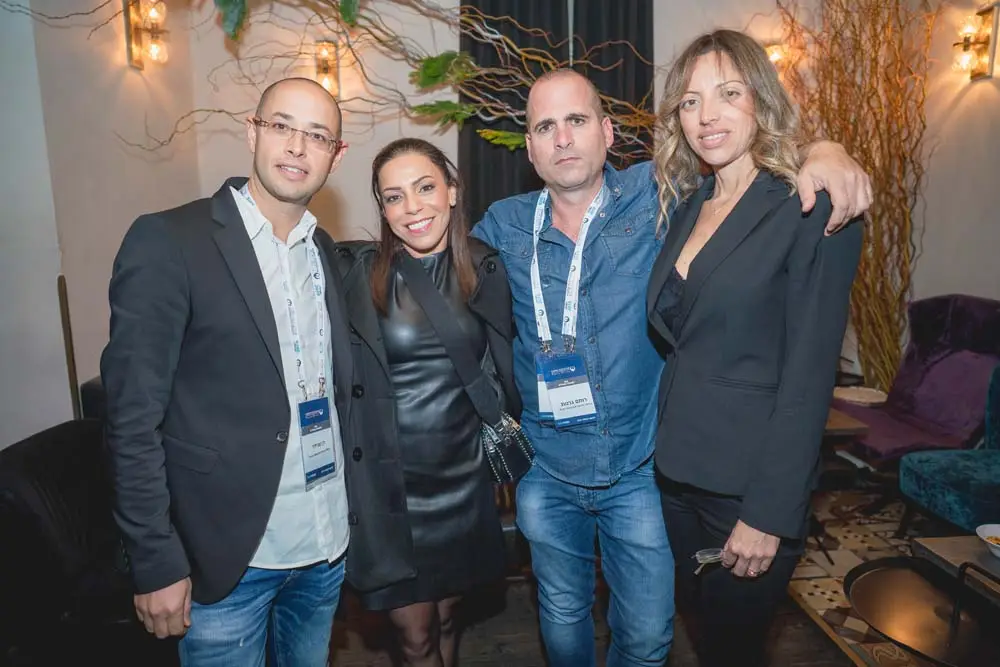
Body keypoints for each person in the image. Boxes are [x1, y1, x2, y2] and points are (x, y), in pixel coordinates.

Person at [470, 67, 871, 667]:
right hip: (546, 471)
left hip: (641, 468)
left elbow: (742, 164)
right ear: (529, 148)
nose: (563, 138)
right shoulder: (503, 224)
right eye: (545, 127)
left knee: (647, 635)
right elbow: (434, 257)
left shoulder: (660, 194)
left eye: (576, 120)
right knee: (560, 610)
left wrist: (825, 149)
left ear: (607, 132)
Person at [100, 77, 413, 666]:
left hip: (323, 547)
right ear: (252, 131)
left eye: (317, 135)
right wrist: (154, 558)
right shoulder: (171, 240)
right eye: (282, 126)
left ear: (336, 155)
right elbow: (131, 418)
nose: (297, 146)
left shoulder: (323, 251)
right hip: (226, 560)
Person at [646, 30, 864, 667]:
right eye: (690, 101)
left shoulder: (809, 204)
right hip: (676, 478)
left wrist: (769, 513)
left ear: (761, 99)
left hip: (748, 493)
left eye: (728, 93)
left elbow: (809, 378)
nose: (706, 115)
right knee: (705, 638)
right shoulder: (688, 204)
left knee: (734, 651)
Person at [331, 137, 520, 667]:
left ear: (452, 191)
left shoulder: (485, 268)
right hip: (394, 491)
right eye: (394, 197)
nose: (412, 208)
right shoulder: (358, 275)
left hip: (463, 480)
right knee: (415, 637)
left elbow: (507, 363)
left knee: (449, 618)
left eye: (425, 188)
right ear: (382, 207)